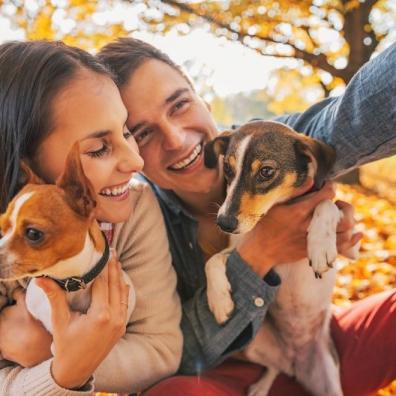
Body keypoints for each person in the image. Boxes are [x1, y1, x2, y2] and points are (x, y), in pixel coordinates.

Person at [98, 38, 396, 395]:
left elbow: (354, 115)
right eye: (142, 132)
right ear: (125, 146)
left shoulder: (269, 142)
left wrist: (333, 225)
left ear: (203, 100)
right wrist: (259, 254)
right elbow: (171, 353)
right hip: (234, 374)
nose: (176, 140)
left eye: (179, 104)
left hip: (322, 345)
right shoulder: (136, 218)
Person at [0, 40, 182, 395]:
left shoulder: (133, 208)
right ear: (24, 170)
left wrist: (60, 359)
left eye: (126, 131)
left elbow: (161, 350)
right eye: (98, 148)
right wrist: (63, 371)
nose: (136, 162)